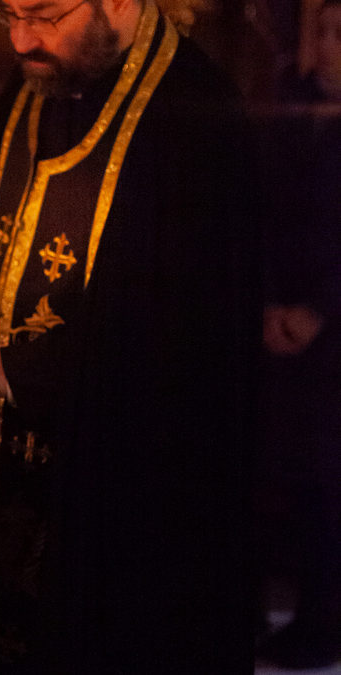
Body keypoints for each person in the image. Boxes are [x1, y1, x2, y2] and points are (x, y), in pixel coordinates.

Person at [0, 0, 261, 670]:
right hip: (4, 467)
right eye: (7, 13)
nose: (20, 39)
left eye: (42, 14)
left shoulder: (195, 116)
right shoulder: (36, 86)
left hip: (120, 504)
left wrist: (18, 372)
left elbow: (183, 350)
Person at [255, 0, 341, 667]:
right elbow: (264, 215)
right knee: (280, 472)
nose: (328, 47)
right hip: (278, 325)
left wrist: (317, 306)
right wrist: (267, 301)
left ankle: (323, 619)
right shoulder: (292, 106)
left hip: (332, 333)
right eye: (324, 33)